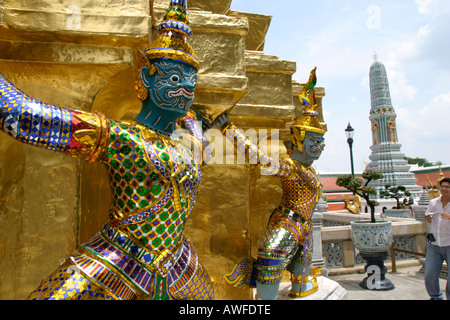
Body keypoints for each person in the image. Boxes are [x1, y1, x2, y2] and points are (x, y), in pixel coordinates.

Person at [0, 0, 215, 300]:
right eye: (175, 79)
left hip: (178, 265)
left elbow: (197, 127)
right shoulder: (122, 138)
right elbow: (26, 118)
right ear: (146, 78)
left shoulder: (188, 142)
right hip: (119, 259)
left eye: (192, 82)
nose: (187, 90)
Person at [222, 68, 326, 300]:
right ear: (299, 139)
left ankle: (300, 285)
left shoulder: (310, 170)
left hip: (304, 227)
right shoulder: (290, 167)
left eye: (322, 141)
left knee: (301, 267)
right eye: (315, 140)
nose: (320, 146)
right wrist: (229, 130)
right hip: (287, 224)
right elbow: (259, 158)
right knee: (271, 262)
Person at [424, 177, 450, 300]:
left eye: (447, 187)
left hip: (449, 243)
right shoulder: (433, 202)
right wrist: (428, 218)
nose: (444, 189)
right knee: (429, 273)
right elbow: (428, 215)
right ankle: (435, 296)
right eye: (443, 186)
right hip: (434, 244)